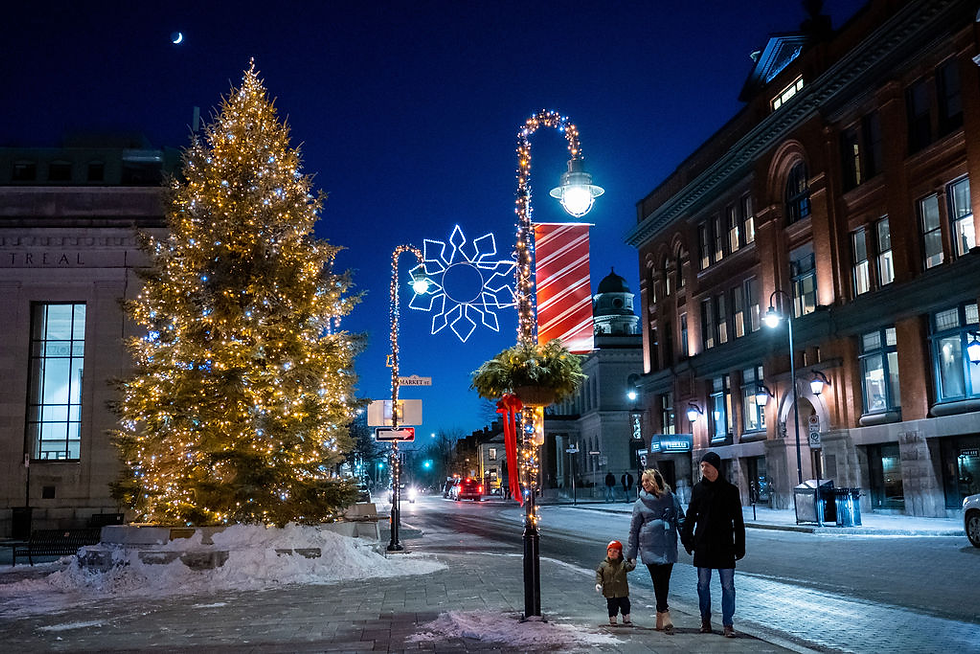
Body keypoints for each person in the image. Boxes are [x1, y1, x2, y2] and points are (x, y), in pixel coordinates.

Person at [681, 451, 746, 638]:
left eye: (707, 466)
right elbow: (690, 515)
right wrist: (687, 540)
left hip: (725, 545)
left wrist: (740, 546)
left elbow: (738, 521)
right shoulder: (698, 489)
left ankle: (728, 623)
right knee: (703, 585)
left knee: (728, 587)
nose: (704, 469)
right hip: (703, 544)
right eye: (702, 466)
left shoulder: (730, 490)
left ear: (716, 467)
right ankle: (705, 620)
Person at [625, 468, 684, 634]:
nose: (644, 484)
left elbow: (680, 519)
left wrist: (688, 540)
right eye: (643, 481)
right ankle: (665, 612)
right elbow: (633, 530)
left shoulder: (671, 498)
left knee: (665, 581)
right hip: (649, 547)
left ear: (656, 481)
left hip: (668, 546)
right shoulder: (640, 503)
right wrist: (631, 555)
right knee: (658, 581)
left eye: (647, 480)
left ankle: (659, 617)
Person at [595, 540, 636, 625]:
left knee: (625, 605)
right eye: (610, 551)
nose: (612, 553)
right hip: (609, 591)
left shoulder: (623, 564)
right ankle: (613, 620)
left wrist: (632, 561)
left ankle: (626, 619)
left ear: (619, 553)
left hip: (622, 591)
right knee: (612, 606)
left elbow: (630, 567)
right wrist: (598, 583)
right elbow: (599, 574)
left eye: (615, 551)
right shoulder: (603, 565)